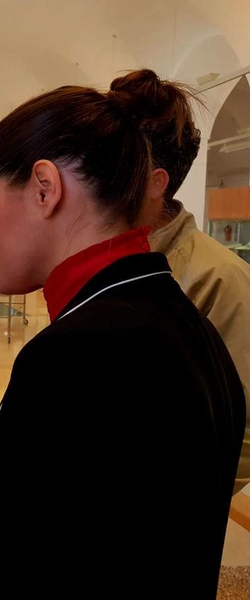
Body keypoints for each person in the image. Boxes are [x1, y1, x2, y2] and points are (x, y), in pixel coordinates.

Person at [0, 72, 245, 599]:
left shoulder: (75, 355)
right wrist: (5, 505)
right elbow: (109, 537)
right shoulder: (185, 322)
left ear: (45, 188)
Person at [110, 69, 250, 495]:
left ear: (155, 183)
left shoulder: (219, 279)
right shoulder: (109, 261)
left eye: (107, 169)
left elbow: (238, 437)